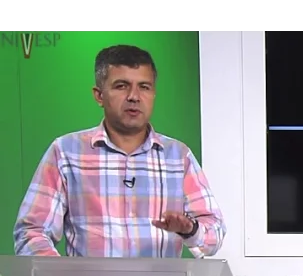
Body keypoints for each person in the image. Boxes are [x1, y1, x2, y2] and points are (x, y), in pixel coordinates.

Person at [13, 44, 226, 258]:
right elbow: (31, 233)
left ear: (153, 94)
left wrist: (190, 229)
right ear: (99, 95)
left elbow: (214, 234)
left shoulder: (178, 157)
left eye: (144, 87)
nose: (134, 96)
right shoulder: (66, 152)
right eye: (122, 86)